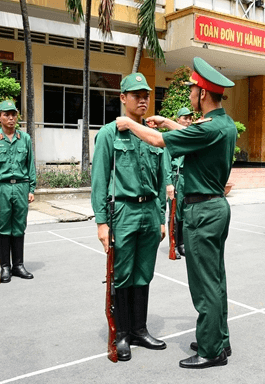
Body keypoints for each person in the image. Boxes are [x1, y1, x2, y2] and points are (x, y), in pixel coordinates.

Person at [115, 57, 236, 369]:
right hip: (217, 208)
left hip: (202, 211)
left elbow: (158, 141)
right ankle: (219, 338)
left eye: (193, 91)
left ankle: (210, 350)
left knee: (204, 283)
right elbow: (188, 132)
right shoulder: (224, 124)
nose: (191, 96)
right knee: (217, 278)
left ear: (203, 95)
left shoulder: (208, 128)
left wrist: (131, 124)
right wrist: (168, 121)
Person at [91, 73, 167, 362]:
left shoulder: (151, 133)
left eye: (146, 94)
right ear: (123, 98)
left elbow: (162, 180)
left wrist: (161, 217)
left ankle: (139, 329)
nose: (143, 99)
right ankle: (121, 333)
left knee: (144, 272)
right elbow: (99, 179)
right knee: (122, 274)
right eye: (136, 95)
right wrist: (101, 222)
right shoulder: (111, 133)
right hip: (123, 211)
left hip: (149, 211)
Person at [0, 100, 36, 283]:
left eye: (13, 114)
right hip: (2, 188)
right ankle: (5, 267)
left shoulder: (25, 138)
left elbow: (30, 165)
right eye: (6, 114)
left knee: (19, 225)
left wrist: (31, 188)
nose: (11, 118)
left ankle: (18, 265)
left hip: (21, 186)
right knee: (4, 227)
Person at [164, 107, 194, 258]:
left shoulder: (192, 137)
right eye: (185, 118)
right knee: (175, 213)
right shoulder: (172, 136)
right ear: (178, 120)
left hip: (188, 179)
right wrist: (169, 183)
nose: (188, 121)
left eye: (190, 118)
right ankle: (173, 244)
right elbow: (166, 161)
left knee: (185, 214)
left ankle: (182, 243)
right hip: (176, 178)